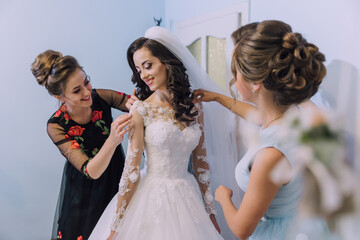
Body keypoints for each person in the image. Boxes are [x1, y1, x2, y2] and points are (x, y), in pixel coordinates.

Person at [88, 27, 223, 240]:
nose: (144, 75)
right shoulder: (141, 110)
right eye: (139, 70)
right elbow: (130, 173)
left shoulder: (195, 108)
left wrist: (210, 210)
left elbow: (201, 163)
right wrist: (116, 227)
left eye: (148, 66)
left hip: (187, 196)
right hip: (150, 197)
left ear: (167, 62)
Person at [197, 20, 326, 239]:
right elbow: (255, 115)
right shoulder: (293, 122)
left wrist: (223, 197)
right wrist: (218, 98)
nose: (234, 80)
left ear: (256, 82)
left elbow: (241, 229)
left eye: (236, 72)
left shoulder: (270, 155)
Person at [31, 50, 132, 240]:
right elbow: (89, 171)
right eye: (77, 91)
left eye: (86, 81)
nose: (87, 92)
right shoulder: (56, 125)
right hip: (84, 192)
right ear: (60, 97)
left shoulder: (102, 97)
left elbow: (143, 106)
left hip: (115, 180)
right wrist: (112, 140)